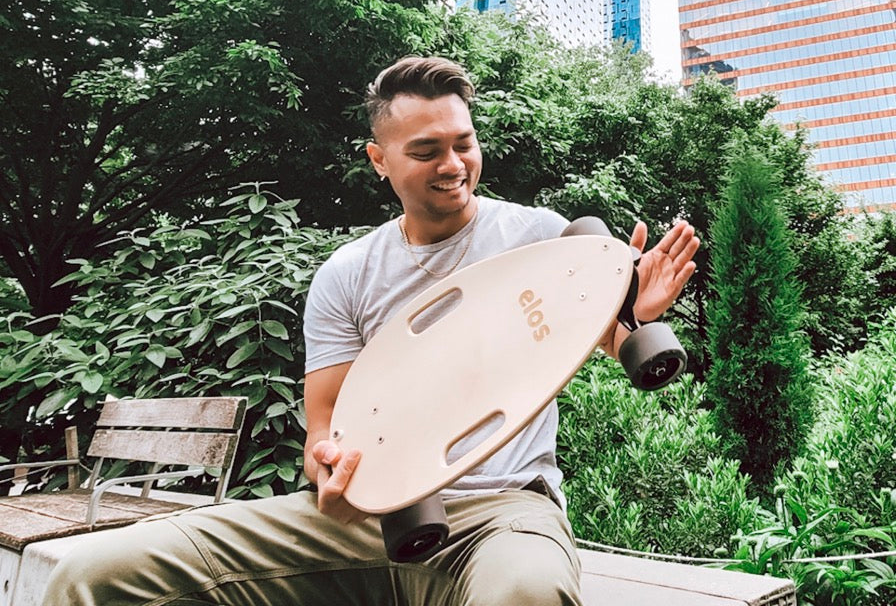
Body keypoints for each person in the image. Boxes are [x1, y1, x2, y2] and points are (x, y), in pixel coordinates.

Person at [44, 56, 699, 606]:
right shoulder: (348, 274)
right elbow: (325, 426)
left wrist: (634, 314)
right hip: (371, 518)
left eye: (463, 143)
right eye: (426, 151)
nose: (453, 165)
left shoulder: (538, 235)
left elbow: (617, 337)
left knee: (523, 594)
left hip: (502, 511)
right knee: (92, 573)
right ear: (378, 160)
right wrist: (330, 471)